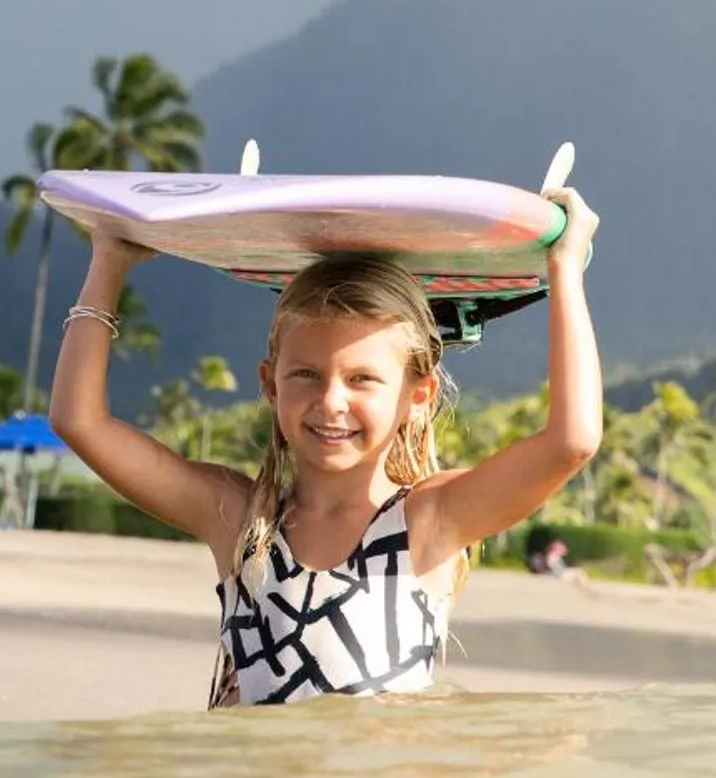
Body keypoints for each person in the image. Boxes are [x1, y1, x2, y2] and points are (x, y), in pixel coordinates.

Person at [49, 190, 600, 706]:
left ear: (418, 395)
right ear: (269, 384)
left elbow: (570, 443)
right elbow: (80, 422)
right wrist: (108, 262)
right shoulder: (239, 519)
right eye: (307, 375)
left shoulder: (429, 521)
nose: (331, 401)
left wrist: (564, 270)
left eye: (362, 379)